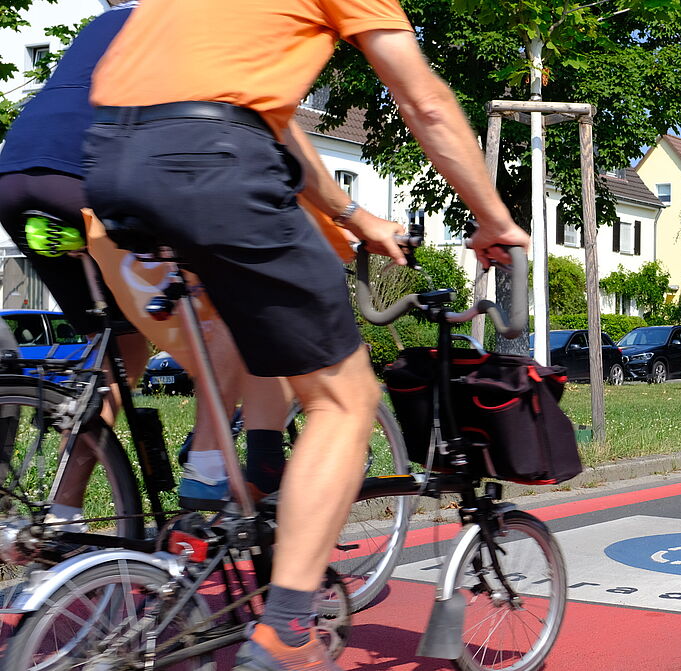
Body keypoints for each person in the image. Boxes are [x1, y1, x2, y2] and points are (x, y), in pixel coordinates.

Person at [84, 1, 528, 668]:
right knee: (345, 399)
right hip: (214, 159)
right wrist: (493, 218)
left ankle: (222, 490)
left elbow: (273, 122)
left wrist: (353, 215)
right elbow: (425, 103)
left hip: (112, 160)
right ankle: (288, 627)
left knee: (235, 330)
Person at [0, 0, 289, 519]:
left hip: (18, 178)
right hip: (90, 176)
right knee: (224, 315)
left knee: (118, 347)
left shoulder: (105, 21)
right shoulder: (196, 24)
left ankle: (61, 514)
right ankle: (205, 477)